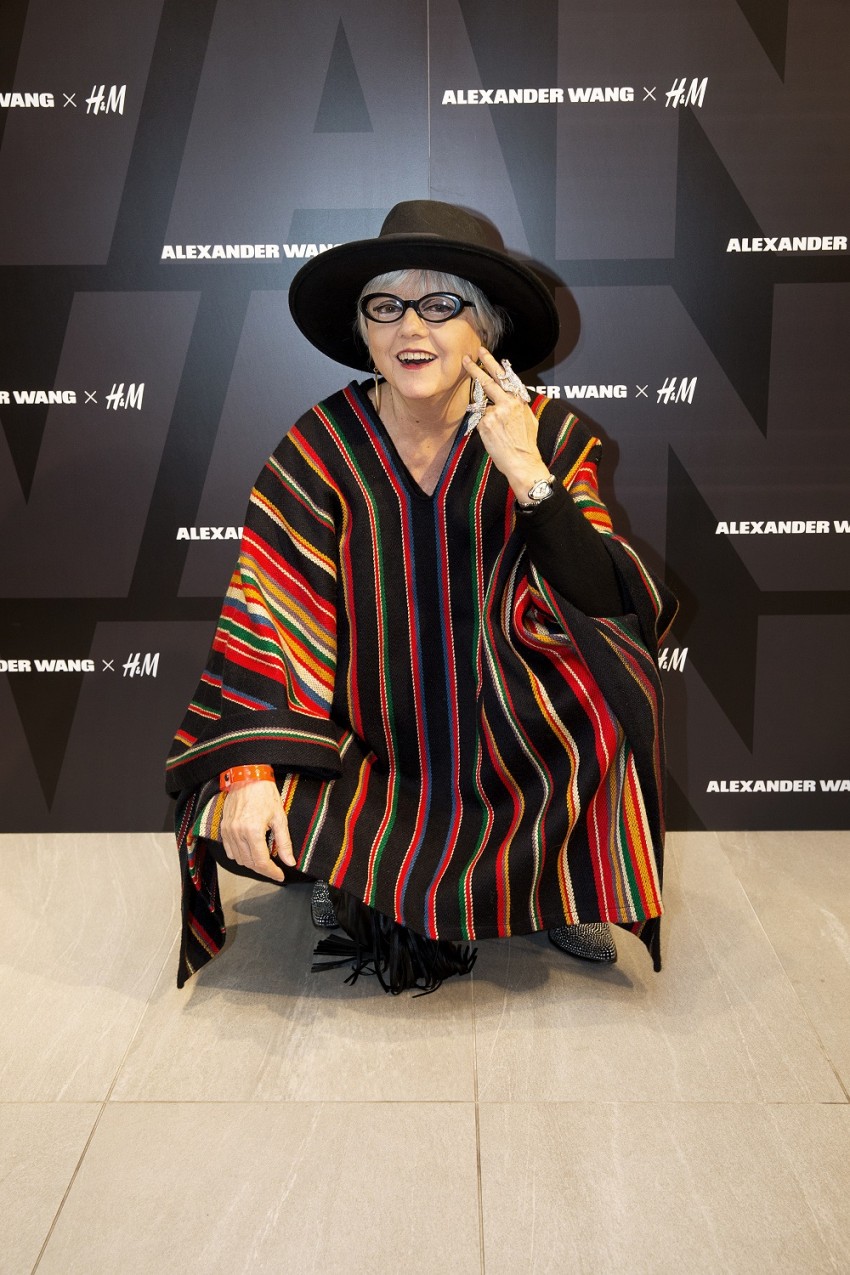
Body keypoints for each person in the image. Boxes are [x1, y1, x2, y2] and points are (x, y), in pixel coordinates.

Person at [166, 200, 677, 994]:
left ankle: (553, 885)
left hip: (512, 746)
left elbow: (607, 603)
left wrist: (527, 474)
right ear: (363, 330)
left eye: (442, 305)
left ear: (486, 330)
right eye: (385, 306)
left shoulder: (546, 433)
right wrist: (250, 771)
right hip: (368, 745)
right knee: (251, 766)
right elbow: (263, 610)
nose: (410, 327)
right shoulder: (318, 447)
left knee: (610, 686)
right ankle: (349, 872)